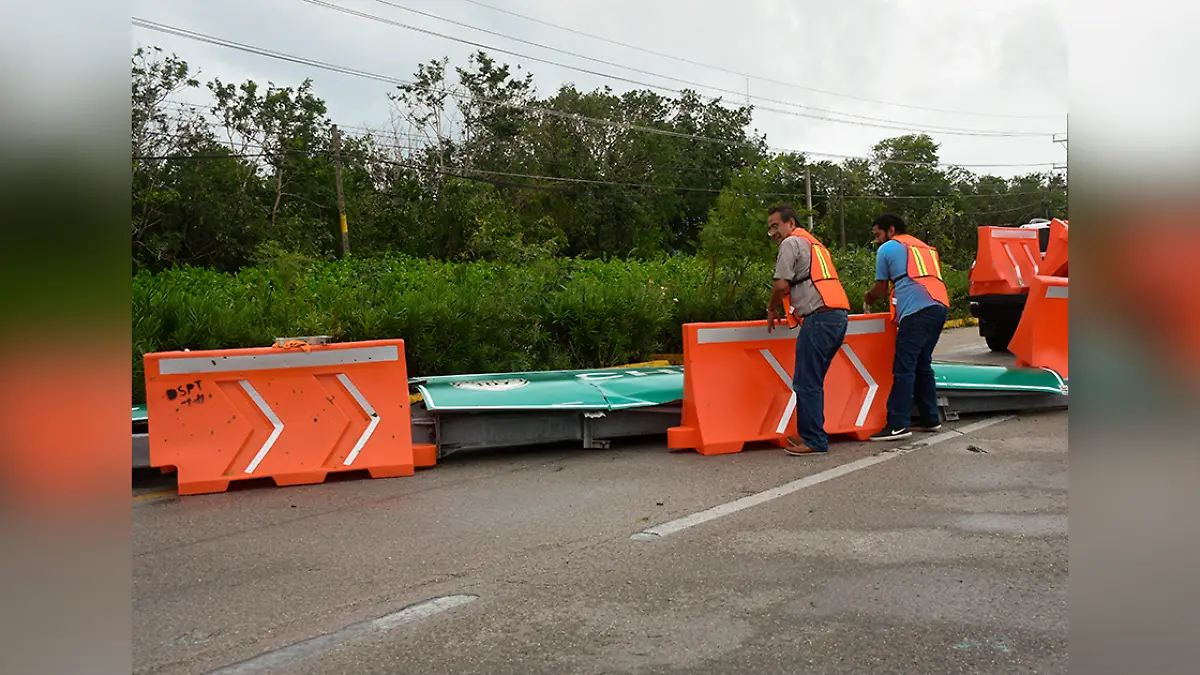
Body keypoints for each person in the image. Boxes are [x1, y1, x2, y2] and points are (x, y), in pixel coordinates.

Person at [765, 204, 851, 455]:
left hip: (818, 318)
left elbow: (781, 285)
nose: (773, 233)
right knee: (812, 381)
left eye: (776, 226)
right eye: (769, 228)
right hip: (837, 316)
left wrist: (772, 308)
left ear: (791, 224)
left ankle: (814, 440)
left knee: (806, 382)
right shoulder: (815, 244)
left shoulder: (790, 244)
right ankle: (811, 434)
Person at [862, 213, 951, 441]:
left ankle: (897, 424)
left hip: (917, 311)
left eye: (878, 234)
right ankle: (930, 418)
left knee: (904, 367)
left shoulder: (888, 248)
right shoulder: (924, 248)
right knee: (923, 365)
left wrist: (868, 298)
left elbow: (881, 287)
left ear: (890, 230)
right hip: (939, 306)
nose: (877, 240)